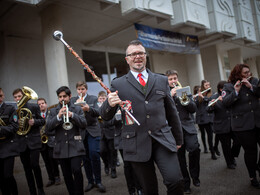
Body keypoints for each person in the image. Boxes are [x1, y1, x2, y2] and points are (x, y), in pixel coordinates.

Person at [100, 40, 184, 195]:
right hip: (136, 143)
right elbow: (105, 116)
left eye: (140, 53)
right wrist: (109, 104)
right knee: (149, 189)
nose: (137, 56)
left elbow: (172, 112)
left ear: (145, 56)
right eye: (133, 54)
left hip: (163, 140)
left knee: (176, 181)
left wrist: (178, 139)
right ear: (127, 59)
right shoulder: (118, 84)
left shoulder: (161, 80)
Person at [222, 64, 260, 188]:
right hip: (243, 126)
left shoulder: (254, 81)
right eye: (245, 73)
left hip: (258, 121)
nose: (249, 74)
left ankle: (258, 166)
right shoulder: (228, 86)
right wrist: (236, 92)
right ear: (238, 74)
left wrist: (251, 87)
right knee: (251, 151)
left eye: (249, 72)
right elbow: (225, 103)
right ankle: (252, 176)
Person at [45, 86, 87, 194]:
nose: (62, 99)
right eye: (60, 97)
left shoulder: (77, 109)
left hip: (75, 145)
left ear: (70, 96)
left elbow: (83, 124)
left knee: (77, 170)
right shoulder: (53, 111)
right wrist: (58, 116)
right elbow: (47, 128)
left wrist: (72, 115)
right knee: (66, 175)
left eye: (64, 96)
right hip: (61, 147)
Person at [166, 70, 200, 194]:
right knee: (180, 159)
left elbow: (193, 109)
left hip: (188, 128)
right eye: (170, 79)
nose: (173, 81)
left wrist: (183, 97)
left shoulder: (184, 91)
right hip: (174, 131)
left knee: (194, 149)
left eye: (175, 78)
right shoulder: (165, 94)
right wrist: (170, 96)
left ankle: (195, 176)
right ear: (167, 81)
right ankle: (186, 183)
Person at [70, 81, 106, 192]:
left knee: (94, 154)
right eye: (79, 89)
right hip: (81, 131)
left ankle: (98, 181)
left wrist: (88, 109)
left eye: (83, 89)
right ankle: (90, 181)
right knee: (85, 158)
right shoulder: (72, 100)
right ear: (76, 90)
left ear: (86, 89)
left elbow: (99, 112)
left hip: (93, 130)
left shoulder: (93, 99)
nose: (81, 91)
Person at [13, 88, 45, 195]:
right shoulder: (13, 109)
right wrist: (17, 123)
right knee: (27, 169)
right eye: (15, 97)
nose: (18, 98)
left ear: (24, 96)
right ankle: (32, 190)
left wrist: (34, 121)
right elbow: (12, 126)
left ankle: (40, 188)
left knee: (35, 164)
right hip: (21, 142)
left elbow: (42, 120)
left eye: (19, 96)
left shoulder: (34, 107)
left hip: (33, 140)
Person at [206, 81, 241, 169]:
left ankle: (232, 155)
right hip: (221, 125)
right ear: (221, 89)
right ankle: (229, 162)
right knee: (226, 146)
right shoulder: (214, 96)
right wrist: (212, 105)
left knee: (238, 141)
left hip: (233, 124)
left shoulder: (230, 95)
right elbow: (208, 109)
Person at [37, 98, 61, 187]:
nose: (41, 105)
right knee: (46, 161)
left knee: (53, 159)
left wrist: (47, 132)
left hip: (51, 140)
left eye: (42, 103)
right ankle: (51, 178)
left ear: (46, 104)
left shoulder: (51, 113)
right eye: (39, 104)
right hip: (42, 141)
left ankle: (57, 176)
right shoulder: (37, 115)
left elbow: (54, 126)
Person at [0, 88, 19, 195]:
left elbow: (15, 127)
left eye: (0, 96)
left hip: (8, 147)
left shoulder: (10, 109)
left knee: (8, 175)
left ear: (2, 96)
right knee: (1, 179)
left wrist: (1, 129)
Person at [194, 80, 217, 160]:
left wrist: (203, 97)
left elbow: (210, 102)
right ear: (203, 86)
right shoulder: (199, 94)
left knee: (210, 136)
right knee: (202, 134)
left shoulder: (212, 94)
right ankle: (205, 147)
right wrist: (196, 98)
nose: (208, 86)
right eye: (206, 85)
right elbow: (195, 106)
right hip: (201, 118)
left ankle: (212, 152)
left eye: (209, 85)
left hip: (208, 118)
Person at [98, 91, 118, 179]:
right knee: (102, 151)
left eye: (103, 98)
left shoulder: (110, 107)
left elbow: (113, 120)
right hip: (101, 133)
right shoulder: (96, 108)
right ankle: (106, 164)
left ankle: (113, 169)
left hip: (110, 132)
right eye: (100, 98)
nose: (102, 100)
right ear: (98, 99)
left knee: (112, 151)